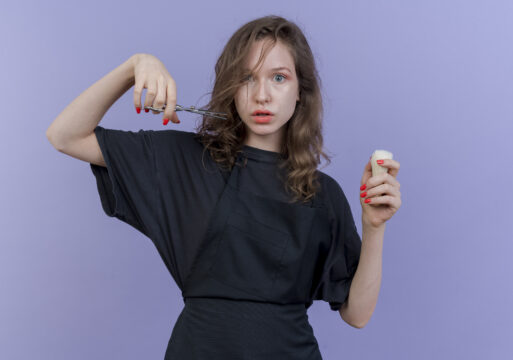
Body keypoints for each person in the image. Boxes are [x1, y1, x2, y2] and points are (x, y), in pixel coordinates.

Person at [46, 15, 401, 360]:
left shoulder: (323, 194)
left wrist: (374, 227)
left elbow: (357, 314)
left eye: (279, 77)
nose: (262, 95)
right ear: (231, 89)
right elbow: (65, 136)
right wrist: (135, 66)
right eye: (247, 78)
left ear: (300, 93)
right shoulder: (186, 161)